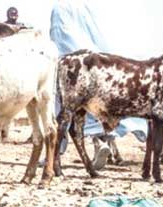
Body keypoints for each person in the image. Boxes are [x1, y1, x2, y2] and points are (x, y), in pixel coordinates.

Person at [50, 0, 146, 170]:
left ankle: (56, 156)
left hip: (74, 66)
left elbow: (60, 37)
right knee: (98, 106)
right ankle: (100, 143)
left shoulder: (60, 8)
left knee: (68, 112)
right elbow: (99, 36)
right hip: (98, 64)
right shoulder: (86, 7)